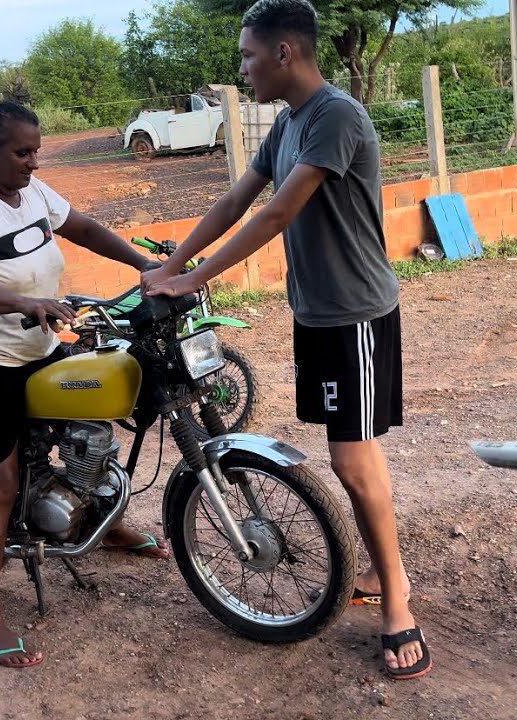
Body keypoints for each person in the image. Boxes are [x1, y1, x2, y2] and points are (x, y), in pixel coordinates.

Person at [142, 0, 431, 681]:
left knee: (353, 461)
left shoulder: (336, 116)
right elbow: (234, 201)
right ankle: (381, 571)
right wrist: (170, 266)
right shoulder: (289, 123)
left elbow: (277, 212)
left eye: (248, 56)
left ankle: (396, 601)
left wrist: (193, 281)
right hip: (318, 314)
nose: (242, 69)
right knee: (354, 458)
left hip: (355, 314)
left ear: (283, 53)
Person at [0, 102, 171, 669]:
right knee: (1, 485)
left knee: (93, 424)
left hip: (39, 349)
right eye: (22, 153)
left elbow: (82, 227)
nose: (33, 162)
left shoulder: (33, 193)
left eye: (36, 151)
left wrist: (144, 266)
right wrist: (23, 302)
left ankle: (101, 523)